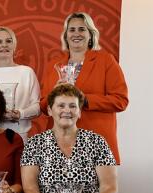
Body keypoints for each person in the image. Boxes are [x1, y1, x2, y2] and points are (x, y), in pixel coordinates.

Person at [35, 12, 128, 163]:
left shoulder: (106, 61)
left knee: (99, 187)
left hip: (95, 144)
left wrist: (85, 99)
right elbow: (44, 106)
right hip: (59, 145)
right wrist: (54, 95)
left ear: (91, 35)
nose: (76, 33)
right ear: (65, 36)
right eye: (71, 30)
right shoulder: (53, 65)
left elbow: (121, 100)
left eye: (82, 29)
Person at [0, 26, 40, 141]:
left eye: (9, 41)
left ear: (14, 46)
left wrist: (20, 113)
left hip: (20, 137)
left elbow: (37, 106)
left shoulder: (27, 72)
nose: (4, 45)